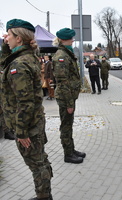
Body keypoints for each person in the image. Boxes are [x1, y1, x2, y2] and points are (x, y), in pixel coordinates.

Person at [1, 19, 53, 200]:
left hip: (27, 125)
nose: (6, 38)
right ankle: (44, 194)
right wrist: (5, 48)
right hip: (34, 121)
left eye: (9, 35)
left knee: (36, 164)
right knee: (40, 160)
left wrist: (21, 131)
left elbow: (25, 102)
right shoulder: (28, 57)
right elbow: (4, 64)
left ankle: (44, 197)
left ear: (19, 39)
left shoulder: (19, 65)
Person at [52, 28, 86, 164]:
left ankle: (71, 150)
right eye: (71, 38)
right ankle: (68, 154)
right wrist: (69, 103)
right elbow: (63, 82)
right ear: (63, 40)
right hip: (66, 98)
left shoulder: (66, 53)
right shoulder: (61, 56)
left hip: (69, 96)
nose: (73, 40)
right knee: (66, 126)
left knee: (69, 124)